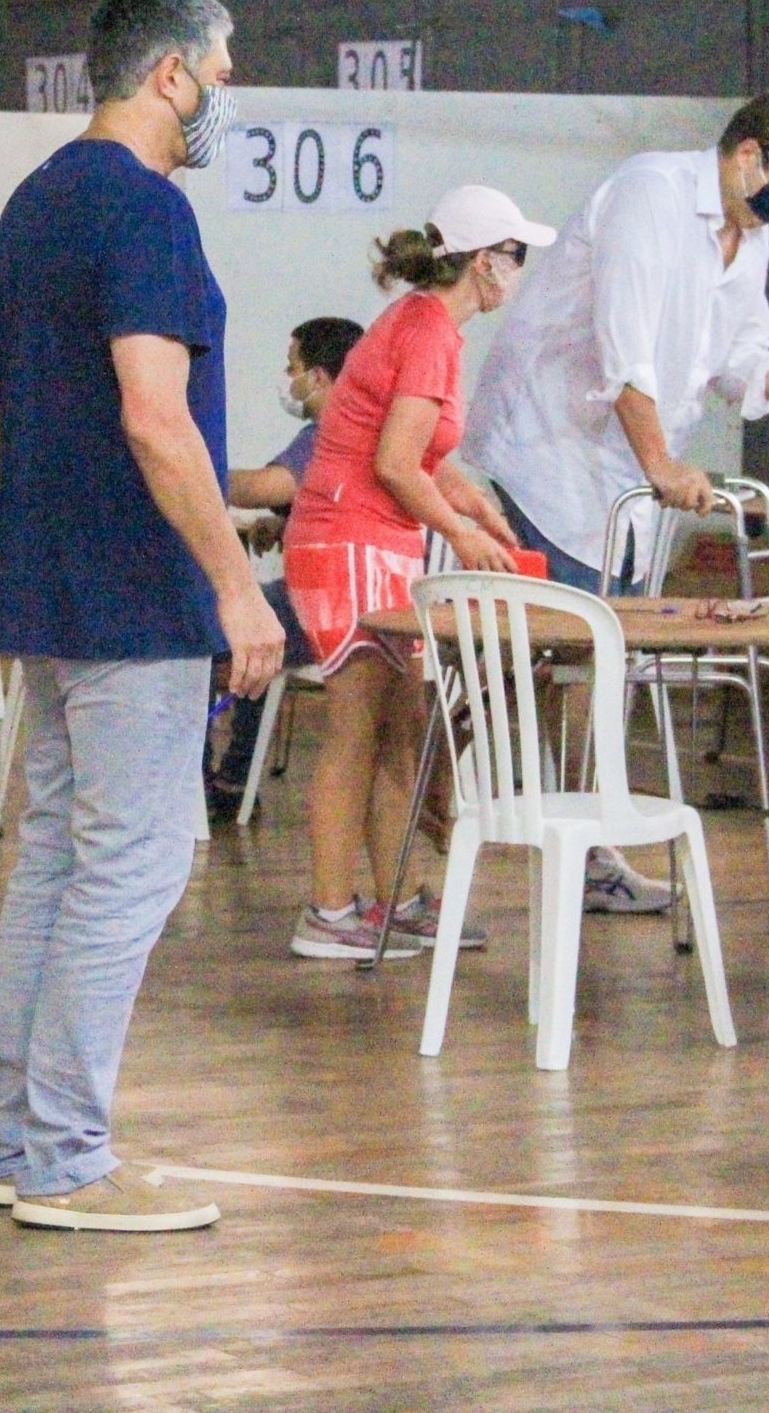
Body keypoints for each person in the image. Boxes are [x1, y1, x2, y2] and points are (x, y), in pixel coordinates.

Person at [0, 0, 282, 1233]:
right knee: (134, 865)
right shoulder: (147, 213)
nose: (226, 89)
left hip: (47, 582)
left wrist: (60, 520)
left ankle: (19, 1140)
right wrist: (232, 581)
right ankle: (61, 1152)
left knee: (54, 858)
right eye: (222, 66)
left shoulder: (32, 203)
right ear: (169, 75)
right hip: (139, 594)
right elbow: (157, 417)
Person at [460, 91, 769, 915]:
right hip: (550, 455)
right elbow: (626, 351)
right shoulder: (652, 193)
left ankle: (585, 845)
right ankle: (487, 806)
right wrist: (662, 462)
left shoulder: (748, 238)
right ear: (747, 153)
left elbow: (741, 360)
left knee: (594, 664)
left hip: (624, 486)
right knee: (556, 658)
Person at [281, 189, 543, 960]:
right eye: (517, 256)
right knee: (358, 730)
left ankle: (392, 898)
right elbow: (395, 466)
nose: (521, 272)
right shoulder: (428, 329)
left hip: (376, 542)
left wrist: (477, 505)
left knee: (402, 728)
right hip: (347, 542)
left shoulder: (428, 326)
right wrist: (460, 533)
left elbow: (426, 454)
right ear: (485, 260)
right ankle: (330, 911)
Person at [204, 315, 361, 809]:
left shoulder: (329, 432)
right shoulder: (358, 426)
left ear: (317, 376)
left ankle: (198, 779)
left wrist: (188, 473)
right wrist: (287, 523)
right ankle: (234, 775)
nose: (285, 378)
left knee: (204, 638)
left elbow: (268, 486)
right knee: (248, 637)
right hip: (349, 596)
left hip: (325, 603)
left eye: (290, 366)